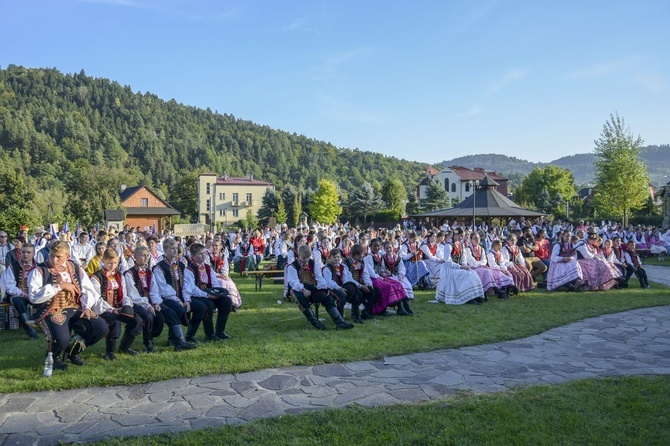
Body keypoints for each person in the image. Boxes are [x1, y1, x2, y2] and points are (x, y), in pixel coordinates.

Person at [28, 241, 109, 370]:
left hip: (75, 308)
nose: (54, 259)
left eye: (58, 256)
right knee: (62, 339)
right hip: (51, 310)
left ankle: (73, 352)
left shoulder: (76, 268)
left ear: (67, 256)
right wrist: (59, 286)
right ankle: (55, 359)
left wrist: (87, 307)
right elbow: (34, 296)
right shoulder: (40, 270)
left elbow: (88, 290)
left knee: (100, 327)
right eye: (52, 255)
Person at [91, 248, 144, 359]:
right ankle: (109, 352)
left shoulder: (119, 275)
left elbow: (124, 294)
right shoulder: (97, 277)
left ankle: (125, 347)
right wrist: (111, 309)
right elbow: (97, 298)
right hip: (103, 309)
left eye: (115, 263)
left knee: (137, 320)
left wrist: (127, 305)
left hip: (118, 307)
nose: (112, 265)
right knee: (115, 323)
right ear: (103, 260)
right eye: (110, 263)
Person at [286, 245, 354, 330]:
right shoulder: (292, 266)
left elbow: (318, 276)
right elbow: (293, 281)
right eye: (304, 258)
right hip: (298, 289)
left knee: (326, 296)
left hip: (312, 287)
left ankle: (340, 322)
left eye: (308, 257)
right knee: (302, 300)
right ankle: (316, 324)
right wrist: (302, 289)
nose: (306, 260)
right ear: (299, 255)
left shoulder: (312, 263)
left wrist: (323, 287)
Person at [149, 238, 198, 351]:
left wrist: (186, 298)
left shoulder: (181, 264)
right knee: (178, 310)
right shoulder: (159, 267)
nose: (175, 251)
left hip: (180, 296)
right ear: (165, 250)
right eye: (172, 248)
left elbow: (185, 283)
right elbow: (163, 288)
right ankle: (179, 340)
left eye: (176, 248)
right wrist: (177, 299)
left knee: (199, 306)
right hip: (165, 297)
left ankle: (183, 337)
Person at [184, 243, 234, 341]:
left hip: (209, 294)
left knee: (226, 301)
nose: (203, 256)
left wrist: (217, 293)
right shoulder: (189, 269)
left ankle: (220, 331)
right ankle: (209, 334)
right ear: (193, 256)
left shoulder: (207, 268)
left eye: (204, 253)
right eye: (200, 254)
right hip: (197, 296)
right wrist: (207, 295)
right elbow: (192, 289)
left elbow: (214, 283)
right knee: (208, 305)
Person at [123, 245, 165, 353]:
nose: (146, 258)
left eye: (147, 255)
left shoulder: (149, 272)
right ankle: (147, 344)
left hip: (148, 302)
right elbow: (133, 295)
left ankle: (153, 339)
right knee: (147, 316)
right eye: (142, 255)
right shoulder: (129, 273)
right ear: (135, 257)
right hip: (134, 303)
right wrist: (147, 305)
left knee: (160, 315)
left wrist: (155, 303)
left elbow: (154, 290)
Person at [363, 239, 412, 315]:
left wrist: (384, 273)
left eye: (378, 246)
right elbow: (371, 272)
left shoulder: (379, 256)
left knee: (398, 284)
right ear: (370, 246)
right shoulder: (368, 258)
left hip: (379, 277)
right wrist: (380, 276)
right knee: (388, 286)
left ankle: (401, 307)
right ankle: (383, 308)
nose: (376, 248)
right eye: (374, 246)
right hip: (373, 279)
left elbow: (381, 269)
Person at [436, 228, 485, 305]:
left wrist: (465, 265)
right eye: (460, 236)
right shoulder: (448, 246)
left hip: (459, 267)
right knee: (466, 275)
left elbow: (463, 259)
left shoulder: (461, 245)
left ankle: (475, 296)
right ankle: (468, 298)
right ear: (455, 235)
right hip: (450, 269)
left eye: (462, 236)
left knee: (473, 273)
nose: (461, 238)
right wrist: (460, 267)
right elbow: (448, 262)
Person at [1, 243, 39, 339]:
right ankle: (30, 329)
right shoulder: (13, 267)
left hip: (37, 295)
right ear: (20, 253)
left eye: (28, 252)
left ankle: (48, 326)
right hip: (20, 295)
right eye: (23, 252)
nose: (25, 254)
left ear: (33, 253)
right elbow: (9, 287)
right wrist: (24, 294)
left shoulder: (40, 267)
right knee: (17, 301)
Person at [320, 248, 363, 323]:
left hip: (341, 287)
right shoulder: (327, 268)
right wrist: (339, 288)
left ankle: (356, 317)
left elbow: (345, 279)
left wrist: (346, 287)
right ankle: (340, 318)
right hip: (331, 289)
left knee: (356, 296)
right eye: (334, 257)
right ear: (330, 258)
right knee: (341, 298)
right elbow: (329, 282)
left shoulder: (342, 267)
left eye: (337, 257)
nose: (336, 259)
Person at [463, 232, 508, 299]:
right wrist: (480, 265)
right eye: (475, 238)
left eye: (478, 238)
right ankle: (496, 291)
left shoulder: (481, 249)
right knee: (486, 271)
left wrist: (481, 265)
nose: (477, 239)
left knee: (489, 271)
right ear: (471, 239)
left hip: (480, 267)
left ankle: (491, 291)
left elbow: (484, 260)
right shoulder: (468, 249)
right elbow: (470, 261)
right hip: (472, 267)